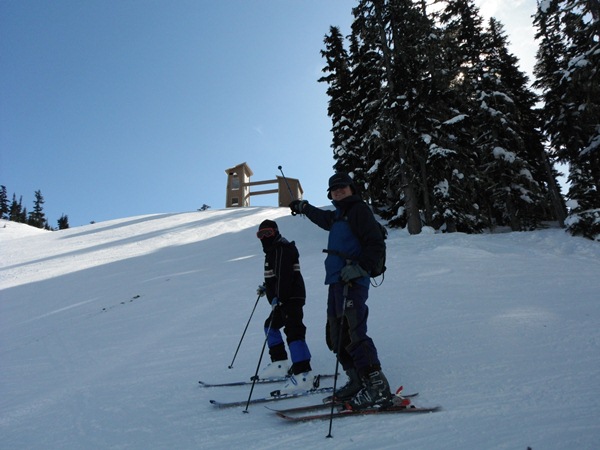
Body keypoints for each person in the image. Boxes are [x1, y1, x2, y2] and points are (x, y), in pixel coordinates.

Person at [289, 172, 392, 410]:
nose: (338, 191)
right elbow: (320, 217)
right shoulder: (338, 215)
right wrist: (303, 206)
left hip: (354, 281)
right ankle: (356, 380)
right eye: (334, 189)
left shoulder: (359, 210)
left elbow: (375, 243)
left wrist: (360, 268)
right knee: (335, 336)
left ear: (352, 189)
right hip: (336, 281)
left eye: (343, 187)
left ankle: (377, 386)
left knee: (354, 331)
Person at [255, 219, 314, 394]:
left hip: (290, 298)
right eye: (261, 234)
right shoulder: (274, 250)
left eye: (268, 233)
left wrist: (279, 296)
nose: (264, 237)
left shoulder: (281, 249)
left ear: (276, 232)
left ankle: (303, 374)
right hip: (283, 298)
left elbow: (285, 276)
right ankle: (279, 363)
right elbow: (278, 276)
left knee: (294, 331)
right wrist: (268, 289)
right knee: (270, 326)